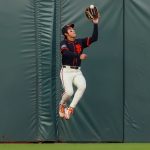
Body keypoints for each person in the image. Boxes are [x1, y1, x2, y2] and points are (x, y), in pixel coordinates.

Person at [59, 16, 99, 120]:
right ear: (66, 34)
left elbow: (94, 38)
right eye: (70, 30)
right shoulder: (63, 43)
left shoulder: (80, 42)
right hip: (66, 71)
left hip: (77, 71)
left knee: (82, 86)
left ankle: (70, 108)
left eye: (73, 29)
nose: (73, 30)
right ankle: (62, 104)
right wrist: (78, 56)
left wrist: (95, 23)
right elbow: (65, 53)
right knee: (69, 92)